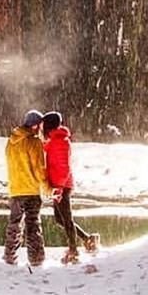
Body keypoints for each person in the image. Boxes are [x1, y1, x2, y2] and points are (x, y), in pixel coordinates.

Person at [42, 110, 99, 264]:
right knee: (61, 219)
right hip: (59, 185)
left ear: (49, 126)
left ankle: (74, 251)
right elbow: (46, 149)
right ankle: (88, 239)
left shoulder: (59, 142)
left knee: (66, 219)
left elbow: (64, 167)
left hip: (62, 186)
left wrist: (59, 188)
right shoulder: (56, 140)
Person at [3, 109, 49, 266]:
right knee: (33, 225)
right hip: (31, 190)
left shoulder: (11, 141)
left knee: (14, 225)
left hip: (15, 189)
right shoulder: (34, 142)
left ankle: (10, 256)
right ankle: (36, 259)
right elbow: (39, 168)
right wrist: (47, 186)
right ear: (36, 126)